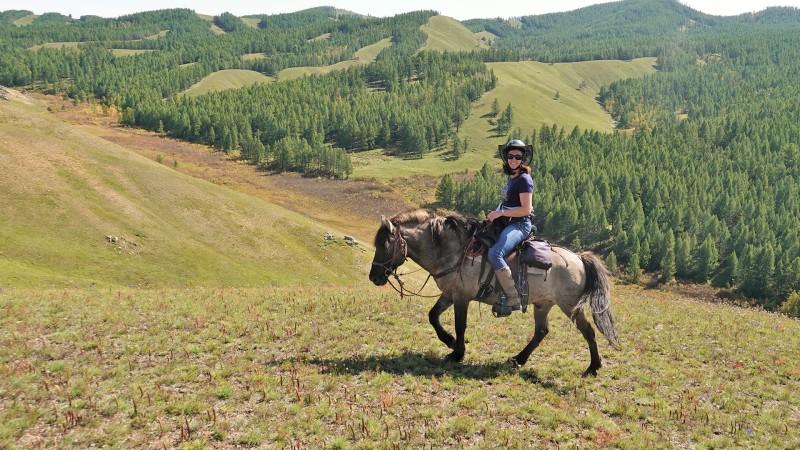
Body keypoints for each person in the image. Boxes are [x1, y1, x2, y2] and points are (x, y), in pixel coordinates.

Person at [487, 139, 534, 317]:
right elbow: (509, 203)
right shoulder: (512, 178)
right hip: (507, 222)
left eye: (517, 157)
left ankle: (513, 299)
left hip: (520, 224)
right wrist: (497, 212)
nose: (513, 159)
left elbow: (526, 209)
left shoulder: (524, 180)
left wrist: (500, 213)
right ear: (506, 158)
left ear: (523, 159)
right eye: (510, 156)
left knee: (495, 253)